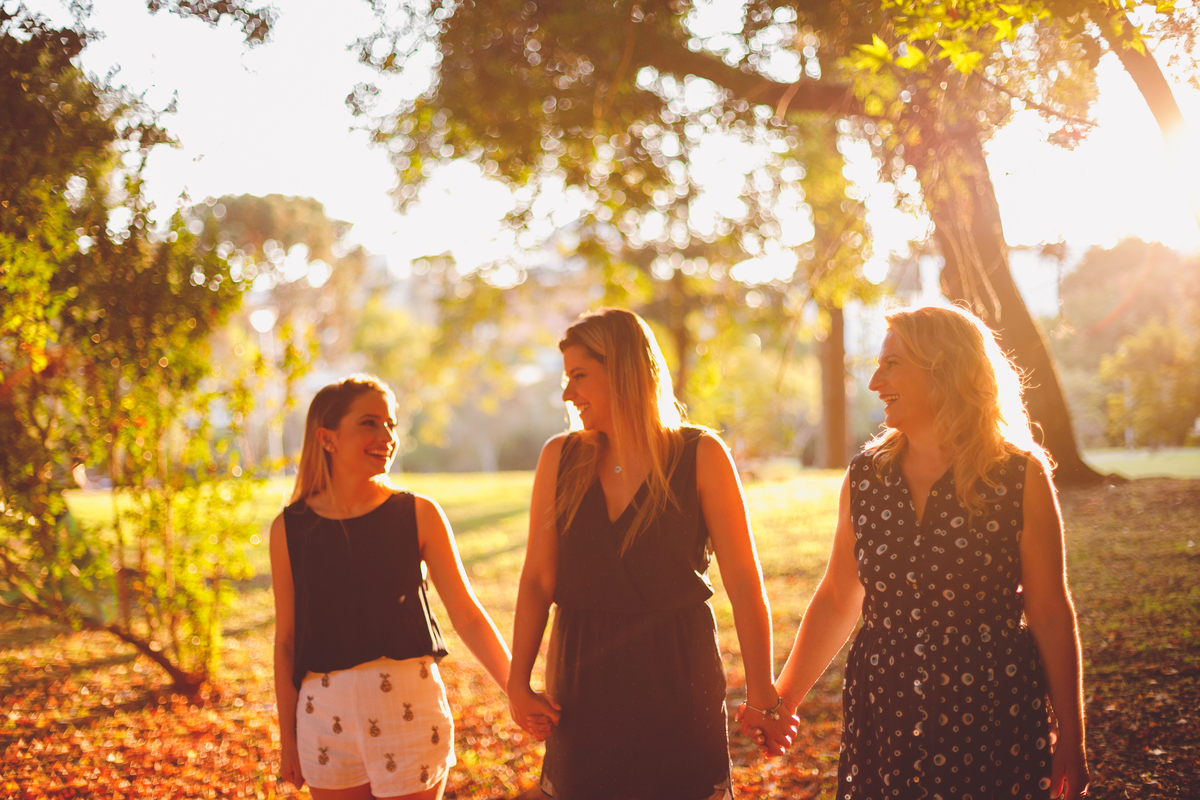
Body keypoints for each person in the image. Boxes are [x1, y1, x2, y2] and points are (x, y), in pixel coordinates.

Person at [744, 305, 1089, 799]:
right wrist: (784, 701)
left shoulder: (1018, 475)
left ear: (944, 368)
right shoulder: (866, 477)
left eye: (891, 365)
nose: (874, 383)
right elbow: (841, 596)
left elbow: (1051, 613)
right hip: (886, 709)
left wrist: (1071, 738)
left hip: (992, 704)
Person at [507, 307, 793, 800]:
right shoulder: (560, 458)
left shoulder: (701, 454)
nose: (566, 393)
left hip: (679, 677)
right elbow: (536, 580)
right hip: (582, 678)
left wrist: (762, 689)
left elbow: (745, 582)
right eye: (565, 377)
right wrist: (518, 683)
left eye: (579, 376)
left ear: (621, 369)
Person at [270, 375, 513, 799]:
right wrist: (288, 741)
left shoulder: (418, 513)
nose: (386, 436)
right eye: (369, 423)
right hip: (323, 719)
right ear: (327, 439)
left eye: (391, 424)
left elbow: (468, 616)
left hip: (410, 711)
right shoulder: (290, 528)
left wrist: (518, 689)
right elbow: (287, 642)